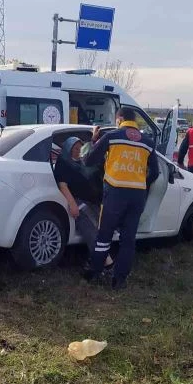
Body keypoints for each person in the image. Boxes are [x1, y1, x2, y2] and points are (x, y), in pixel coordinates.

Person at [83, 107, 159, 289]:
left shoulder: (112, 137)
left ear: (120, 119)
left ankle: (95, 272)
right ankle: (120, 280)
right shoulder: (147, 142)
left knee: (104, 236)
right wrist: (141, 183)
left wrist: (93, 139)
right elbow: (155, 172)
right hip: (137, 196)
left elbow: (88, 160)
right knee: (128, 239)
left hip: (115, 193)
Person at [53, 137, 113, 271]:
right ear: (68, 149)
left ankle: (95, 258)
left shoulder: (83, 162)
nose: (78, 151)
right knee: (88, 225)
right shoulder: (63, 163)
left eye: (80, 148)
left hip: (93, 201)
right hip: (78, 200)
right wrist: (72, 204)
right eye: (74, 148)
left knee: (102, 225)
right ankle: (105, 261)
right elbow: (63, 185)